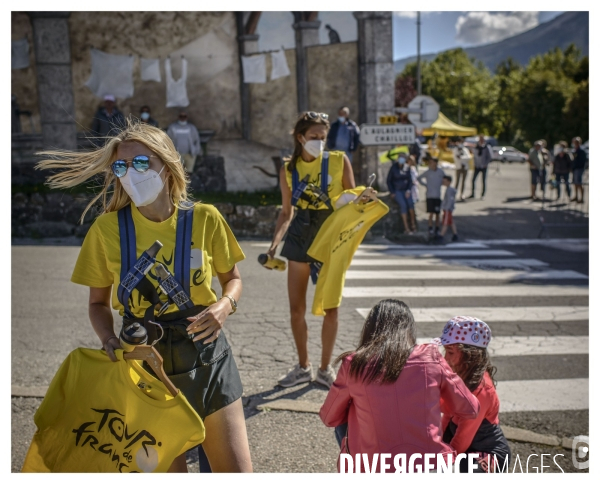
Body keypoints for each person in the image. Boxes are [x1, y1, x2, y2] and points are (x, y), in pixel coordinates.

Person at [35, 121, 252, 473]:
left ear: (166, 165)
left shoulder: (205, 218)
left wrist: (224, 306)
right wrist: (108, 339)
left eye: (140, 163)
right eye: (121, 167)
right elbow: (97, 304)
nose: (129, 174)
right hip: (142, 366)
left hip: (207, 355)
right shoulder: (106, 230)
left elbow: (233, 279)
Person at [319, 300, 480, 473]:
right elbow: (471, 408)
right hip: (430, 466)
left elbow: (329, 417)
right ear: (409, 330)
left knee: (349, 410)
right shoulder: (430, 357)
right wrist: (427, 397)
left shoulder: (354, 364)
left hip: (374, 467)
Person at [267, 111, 356, 389]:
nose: (319, 142)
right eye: (314, 137)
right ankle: (303, 367)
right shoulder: (289, 169)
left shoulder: (339, 161)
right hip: (299, 235)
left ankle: (325, 369)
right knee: (297, 309)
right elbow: (285, 212)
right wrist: (274, 244)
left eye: (323, 137)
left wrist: (361, 200)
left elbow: (353, 202)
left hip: (329, 235)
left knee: (331, 308)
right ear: (300, 137)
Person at [438, 316, 511, 473]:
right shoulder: (459, 376)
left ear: (469, 355)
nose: (445, 358)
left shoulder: (482, 389)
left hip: (489, 454)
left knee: (447, 471)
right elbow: (448, 415)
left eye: (450, 352)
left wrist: (442, 460)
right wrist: (438, 442)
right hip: (466, 448)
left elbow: (463, 438)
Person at [386, 153, 416, 234]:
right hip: (397, 190)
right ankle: (406, 228)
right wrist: (392, 192)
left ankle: (413, 224)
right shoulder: (393, 168)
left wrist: (408, 190)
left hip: (406, 190)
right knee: (403, 205)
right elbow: (389, 180)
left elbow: (410, 180)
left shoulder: (407, 167)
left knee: (411, 204)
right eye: (400, 157)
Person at [417, 156, 445, 239]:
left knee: (437, 213)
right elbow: (419, 178)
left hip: (437, 195)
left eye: (432, 162)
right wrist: (425, 185)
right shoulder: (428, 172)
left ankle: (437, 228)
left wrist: (441, 184)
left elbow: (445, 179)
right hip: (429, 195)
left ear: (435, 163)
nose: (430, 164)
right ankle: (430, 228)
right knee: (430, 213)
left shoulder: (440, 172)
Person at [467, 135, 492, 200]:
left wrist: (486, 164)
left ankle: (482, 194)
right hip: (477, 166)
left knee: (483, 181)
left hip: (483, 166)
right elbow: (474, 156)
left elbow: (489, 157)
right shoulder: (476, 147)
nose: (481, 140)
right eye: (480, 139)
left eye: (482, 139)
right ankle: (472, 193)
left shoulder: (486, 147)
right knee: (473, 180)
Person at [440, 175, 458, 242]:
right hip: (448, 209)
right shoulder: (449, 189)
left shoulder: (449, 190)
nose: (443, 182)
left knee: (446, 223)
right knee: (451, 222)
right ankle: (455, 234)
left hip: (447, 209)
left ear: (449, 182)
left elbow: (450, 200)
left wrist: (446, 207)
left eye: (445, 181)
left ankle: (441, 235)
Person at [571, 137, 587, 203]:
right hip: (575, 169)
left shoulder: (582, 150)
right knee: (575, 183)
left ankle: (582, 198)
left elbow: (582, 161)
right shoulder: (575, 150)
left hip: (579, 169)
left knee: (579, 183)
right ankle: (576, 196)